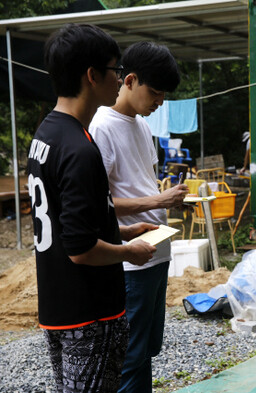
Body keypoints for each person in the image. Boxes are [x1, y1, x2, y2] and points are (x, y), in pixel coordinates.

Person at [26, 24, 157, 393]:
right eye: (115, 70)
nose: (119, 80)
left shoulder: (45, 136)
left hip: (57, 306)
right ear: (92, 75)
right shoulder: (80, 149)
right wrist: (128, 251)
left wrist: (124, 231)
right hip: (91, 312)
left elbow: (67, 220)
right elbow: (81, 250)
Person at [89, 41, 187, 393]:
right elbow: (99, 203)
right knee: (130, 357)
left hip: (156, 252)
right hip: (131, 260)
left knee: (146, 350)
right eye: (156, 92)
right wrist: (160, 198)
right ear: (129, 80)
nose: (159, 101)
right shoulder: (102, 127)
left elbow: (138, 186)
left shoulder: (142, 125)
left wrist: (165, 201)